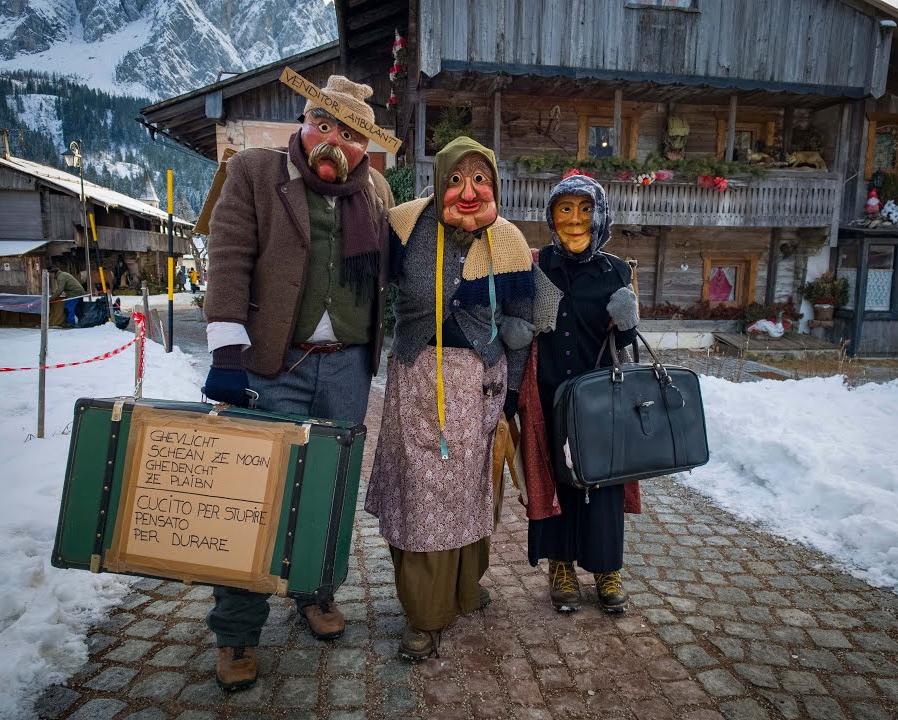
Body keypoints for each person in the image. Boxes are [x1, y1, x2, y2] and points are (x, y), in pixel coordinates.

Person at [200, 74, 395, 692]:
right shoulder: (256, 171)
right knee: (253, 496)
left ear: (366, 146)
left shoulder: (379, 192)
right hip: (272, 362)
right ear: (305, 123)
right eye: (324, 125)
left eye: (350, 134)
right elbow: (229, 255)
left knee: (330, 490)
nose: (332, 142)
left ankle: (315, 591)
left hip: (346, 364)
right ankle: (237, 630)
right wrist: (227, 350)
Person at [365, 136, 535, 661]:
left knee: (471, 492)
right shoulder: (405, 226)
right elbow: (361, 280)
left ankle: (463, 589)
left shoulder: (506, 240)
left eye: (480, 180)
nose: (468, 191)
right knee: (423, 499)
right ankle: (425, 615)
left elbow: (523, 322)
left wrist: (509, 395)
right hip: (418, 378)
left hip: (479, 383)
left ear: (495, 187)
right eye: (456, 179)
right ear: (439, 182)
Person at [517, 173, 641, 614]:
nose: (575, 220)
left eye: (585, 210)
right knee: (558, 483)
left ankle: (607, 570)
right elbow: (523, 326)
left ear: (600, 215)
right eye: (565, 209)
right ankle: (561, 567)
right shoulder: (537, 265)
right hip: (550, 396)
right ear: (551, 215)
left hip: (601, 399)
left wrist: (627, 322)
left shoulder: (616, 270)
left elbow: (624, 345)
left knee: (603, 485)